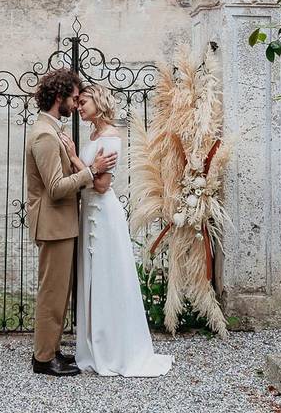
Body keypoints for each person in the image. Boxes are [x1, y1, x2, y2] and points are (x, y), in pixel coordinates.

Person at [60, 83, 174, 377]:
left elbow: (101, 184)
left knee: (107, 276)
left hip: (102, 214)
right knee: (93, 278)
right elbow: (88, 175)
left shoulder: (110, 137)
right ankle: (94, 346)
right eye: (78, 102)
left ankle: (113, 350)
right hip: (89, 213)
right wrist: (83, 164)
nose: (79, 107)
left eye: (83, 102)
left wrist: (74, 157)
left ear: (98, 102)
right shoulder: (94, 135)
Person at [25, 70, 117, 377]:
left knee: (59, 291)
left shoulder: (52, 131)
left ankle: (51, 350)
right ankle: (43, 359)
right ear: (59, 96)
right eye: (73, 98)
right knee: (51, 292)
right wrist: (90, 171)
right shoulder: (44, 134)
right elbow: (55, 187)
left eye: (80, 99)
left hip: (62, 224)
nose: (75, 104)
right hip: (53, 225)